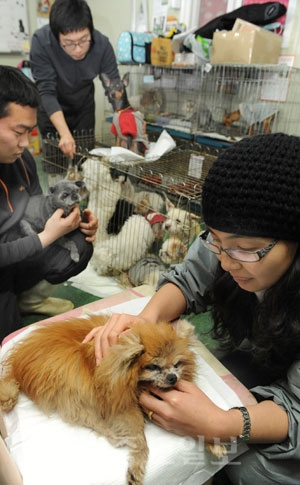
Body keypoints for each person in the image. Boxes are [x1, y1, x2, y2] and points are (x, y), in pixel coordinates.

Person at [83, 133, 300, 484]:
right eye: (215, 240)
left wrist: (224, 423)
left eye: (245, 249)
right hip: (263, 357)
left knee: (253, 470)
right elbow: (189, 277)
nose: (227, 263)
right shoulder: (226, 247)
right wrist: (145, 320)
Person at [0, 65, 98, 343]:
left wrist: (73, 222)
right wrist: (47, 237)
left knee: (79, 244)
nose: (26, 143)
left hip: (17, 250)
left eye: (30, 132)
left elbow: (39, 210)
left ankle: (26, 299)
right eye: (19, 132)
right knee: (8, 341)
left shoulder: (22, 160)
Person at [29, 0, 120, 171]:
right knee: (55, 165)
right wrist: (64, 133)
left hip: (83, 108)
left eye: (84, 40)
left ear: (90, 30)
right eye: (69, 43)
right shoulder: (41, 42)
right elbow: (46, 91)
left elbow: (114, 86)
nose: (78, 49)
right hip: (51, 109)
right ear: (57, 37)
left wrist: (126, 116)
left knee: (84, 164)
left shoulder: (102, 45)